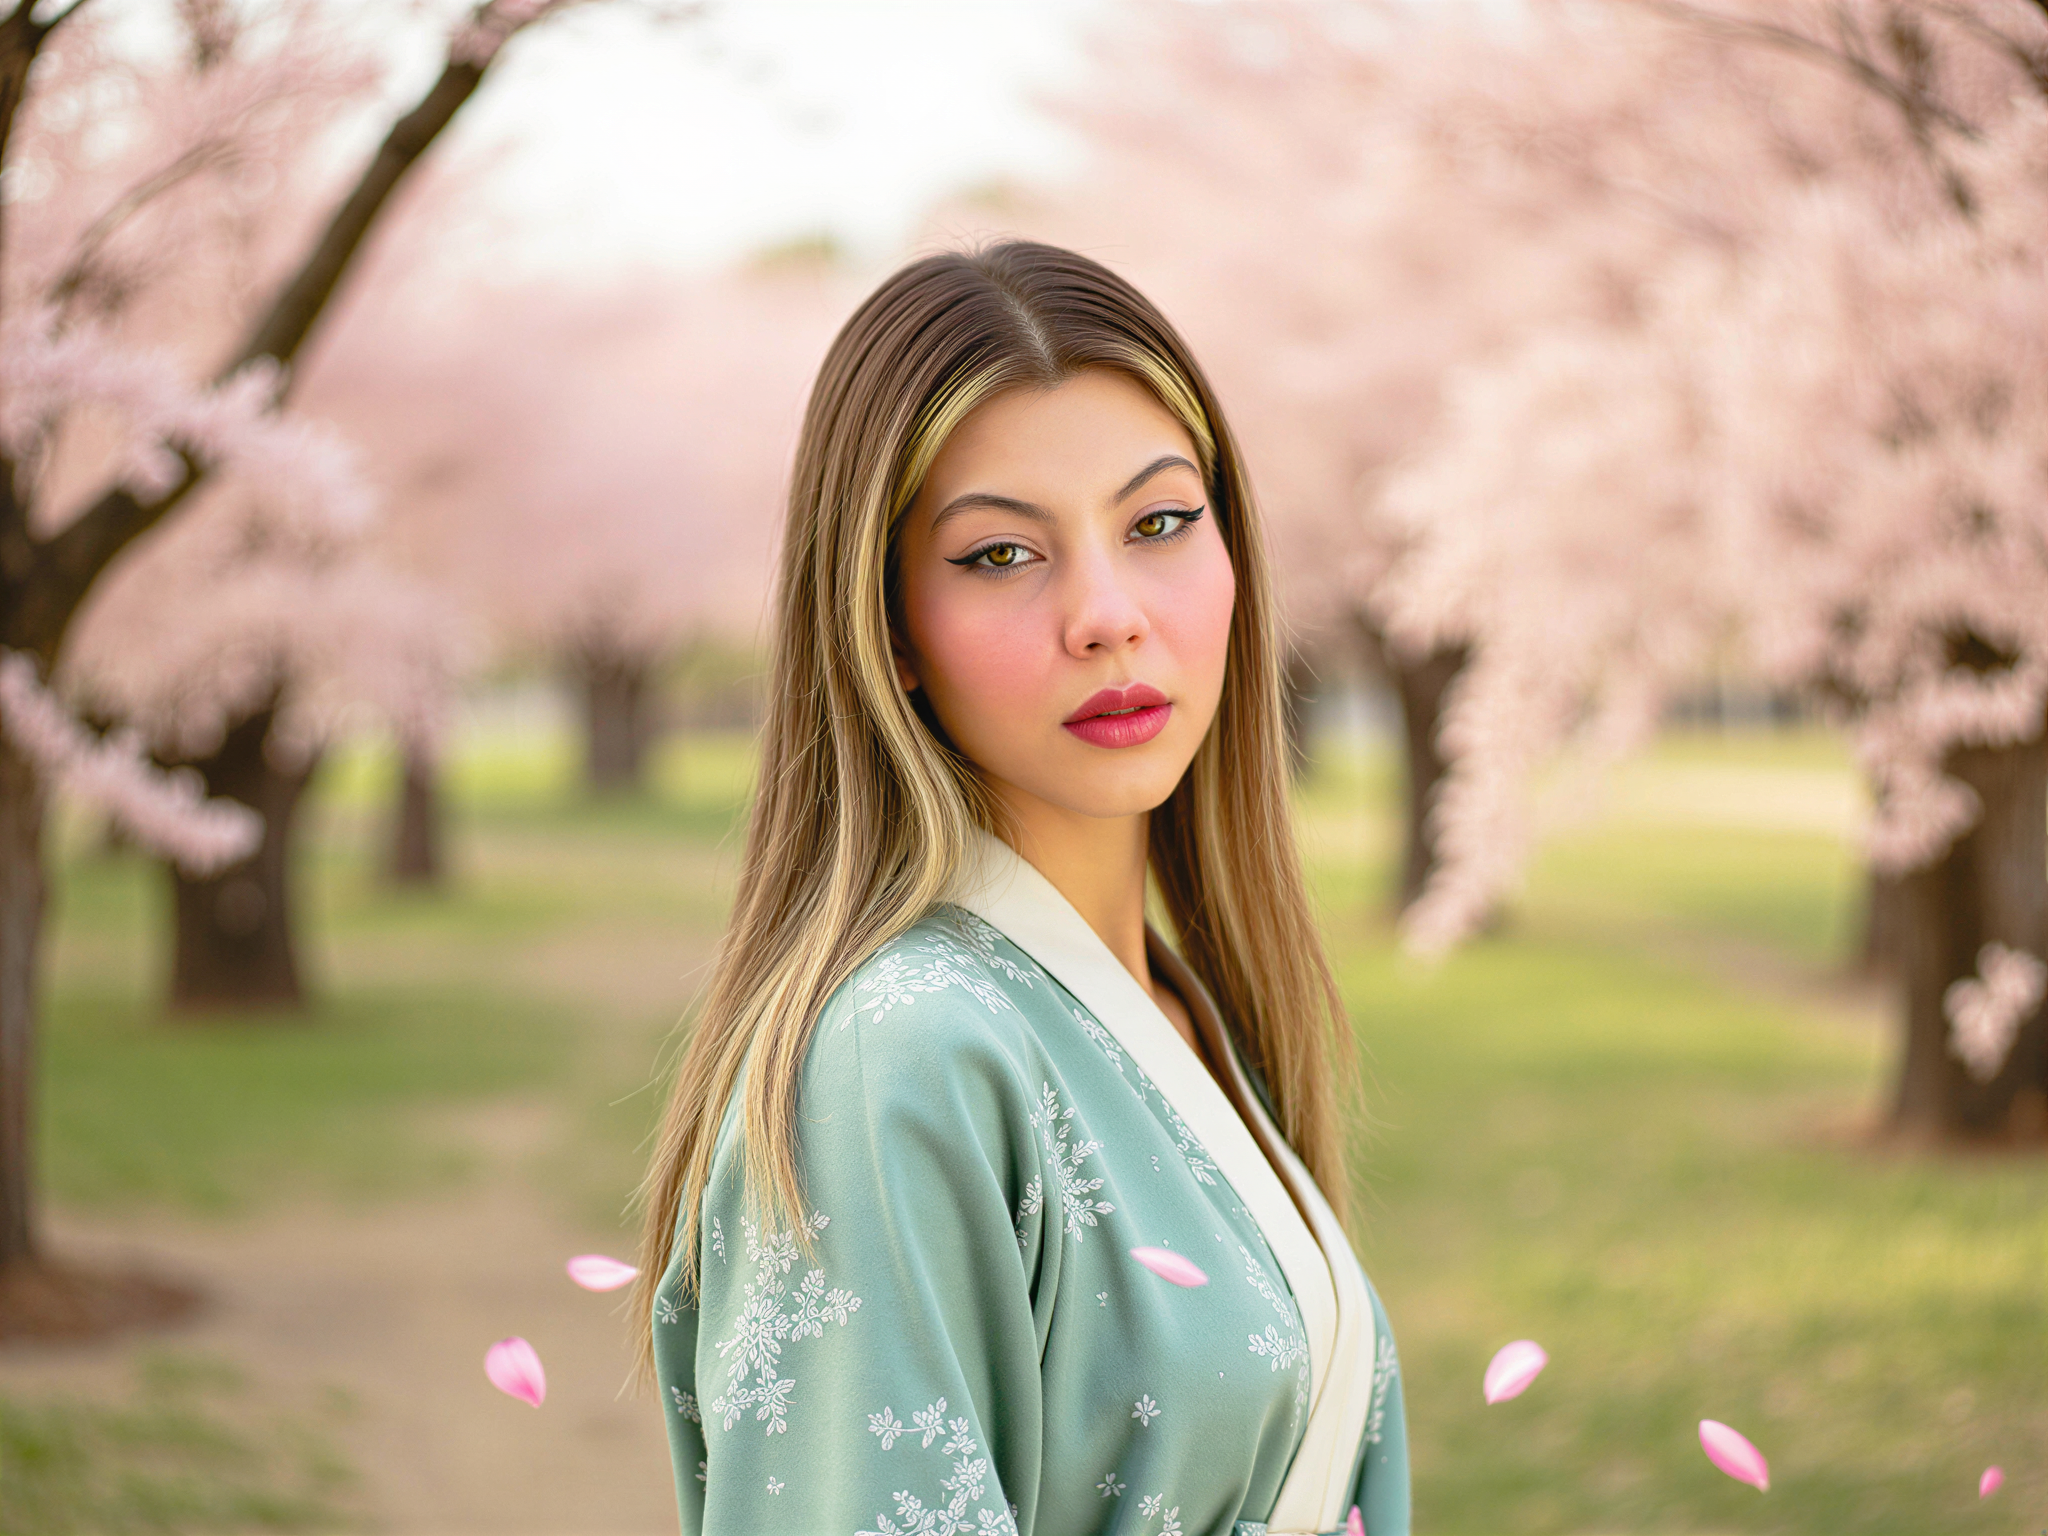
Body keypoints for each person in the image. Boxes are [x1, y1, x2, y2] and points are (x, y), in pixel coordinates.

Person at [626, 240, 1409, 1536]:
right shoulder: (904, 1054)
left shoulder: (1181, 1006)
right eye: (999, 554)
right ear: (888, 626)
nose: (1106, 614)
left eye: (1160, 523)